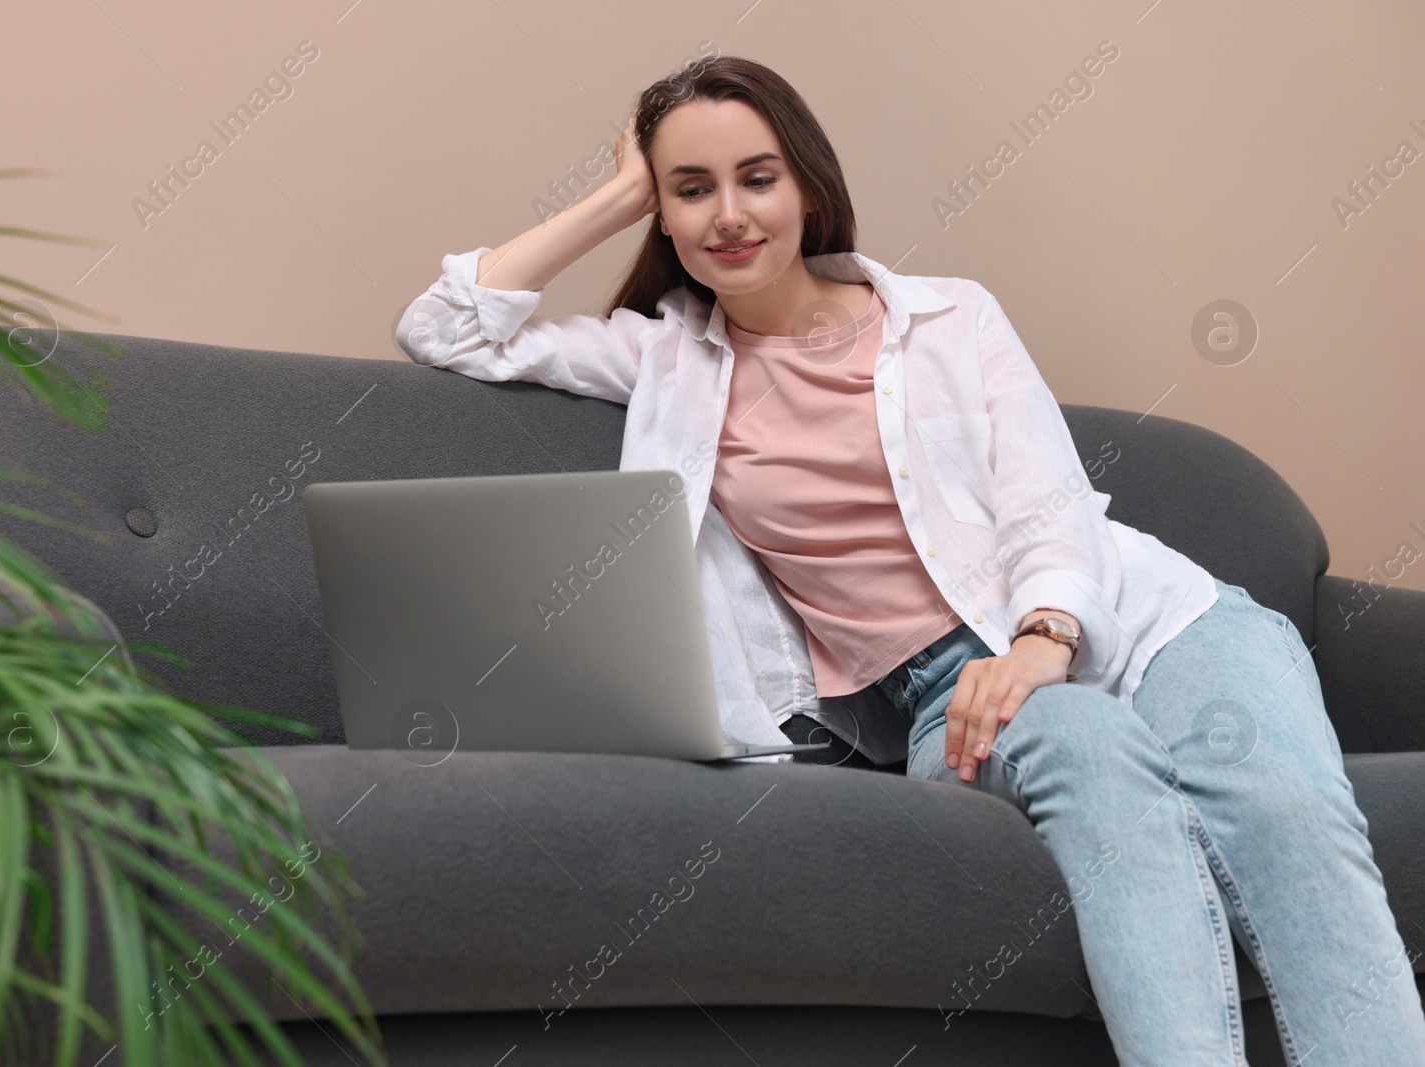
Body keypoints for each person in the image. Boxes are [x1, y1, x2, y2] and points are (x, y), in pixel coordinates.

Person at [395, 54, 1425, 1065]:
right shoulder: (661, 358)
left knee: (1287, 808)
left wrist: (1040, 637)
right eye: (690, 189)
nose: (729, 214)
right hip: (943, 696)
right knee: (1080, 743)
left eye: (756, 177)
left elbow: (1045, 497)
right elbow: (445, 325)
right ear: (663, 214)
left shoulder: (947, 316)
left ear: (807, 185)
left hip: (1149, 623)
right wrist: (619, 190)